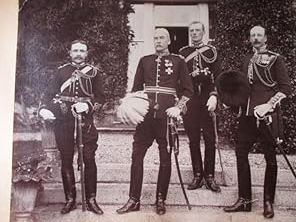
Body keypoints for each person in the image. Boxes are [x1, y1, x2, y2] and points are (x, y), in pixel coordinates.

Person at [116, 28, 193, 215]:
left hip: (166, 117)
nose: (158, 41)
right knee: (137, 156)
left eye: (162, 38)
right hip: (145, 116)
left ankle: (161, 199)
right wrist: (129, 106)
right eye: (156, 38)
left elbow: (188, 91)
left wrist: (179, 107)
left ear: (168, 41)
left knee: (165, 158)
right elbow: (135, 90)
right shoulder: (145, 61)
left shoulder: (179, 61)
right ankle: (133, 199)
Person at [223, 25, 291, 219]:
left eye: (259, 35)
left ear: (265, 37)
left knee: (270, 157)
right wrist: (232, 102)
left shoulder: (276, 59)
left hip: (267, 115)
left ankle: (269, 201)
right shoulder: (246, 59)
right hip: (247, 115)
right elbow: (245, 88)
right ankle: (244, 200)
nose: (255, 38)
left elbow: (285, 88)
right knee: (241, 153)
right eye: (252, 35)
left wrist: (268, 105)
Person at [39, 40, 105, 215]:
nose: (78, 53)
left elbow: (101, 98)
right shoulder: (61, 72)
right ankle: (70, 199)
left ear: (87, 53)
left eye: (82, 50)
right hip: (64, 121)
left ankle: (91, 200)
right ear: (69, 52)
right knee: (66, 159)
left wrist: (89, 106)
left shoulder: (94, 73)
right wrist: (44, 109)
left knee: (89, 159)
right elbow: (48, 95)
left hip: (86, 123)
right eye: (75, 50)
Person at [179, 21, 222, 192]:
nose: (195, 33)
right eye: (192, 30)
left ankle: (209, 176)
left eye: (198, 30)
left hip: (207, 97)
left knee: (210, 138)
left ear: (203, 32)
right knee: (193, 138)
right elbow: (179, 79)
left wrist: (214, 96)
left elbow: (219, 77)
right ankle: (197, 175)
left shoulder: (212, 52)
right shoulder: (183, 53)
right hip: (191, 99)